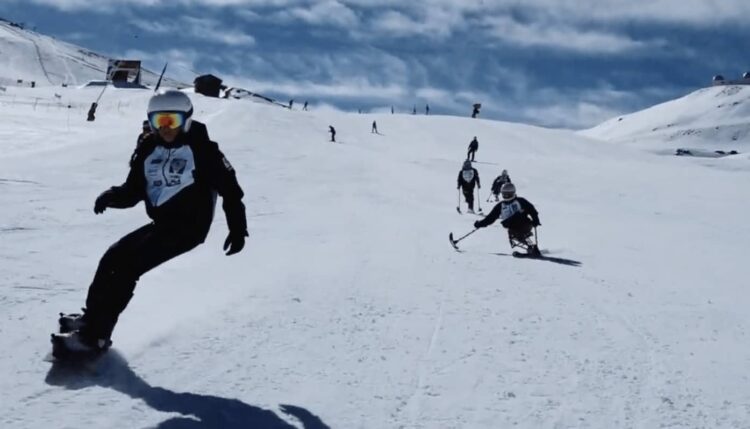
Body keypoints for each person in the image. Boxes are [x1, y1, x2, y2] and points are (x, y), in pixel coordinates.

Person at [53, 90, 248, 355]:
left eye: (172, 120)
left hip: (190, 227)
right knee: (112, 257)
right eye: (159, 121)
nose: (166, 128)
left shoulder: (204, 150)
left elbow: (231, 191)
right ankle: (91, 319)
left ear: (187, 120)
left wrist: (238, 228)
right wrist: (112, 197)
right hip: (163, 224)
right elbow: (134, 190)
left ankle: (96, 337)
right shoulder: (147, 148)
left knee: (127, 268)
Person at [473, 183, 541, 256]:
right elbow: (490, 217)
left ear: (513, 193)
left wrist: (536, 220)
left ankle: (532, 248)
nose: (506, 196)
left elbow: (532, 210)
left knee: (518, 233)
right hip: (512, 227)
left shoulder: (520, 201)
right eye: (504, 194)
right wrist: (480, 224)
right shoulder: (501, 205)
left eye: (508, 194)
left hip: (525, 224)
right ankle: (530, 247)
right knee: (514, 235)